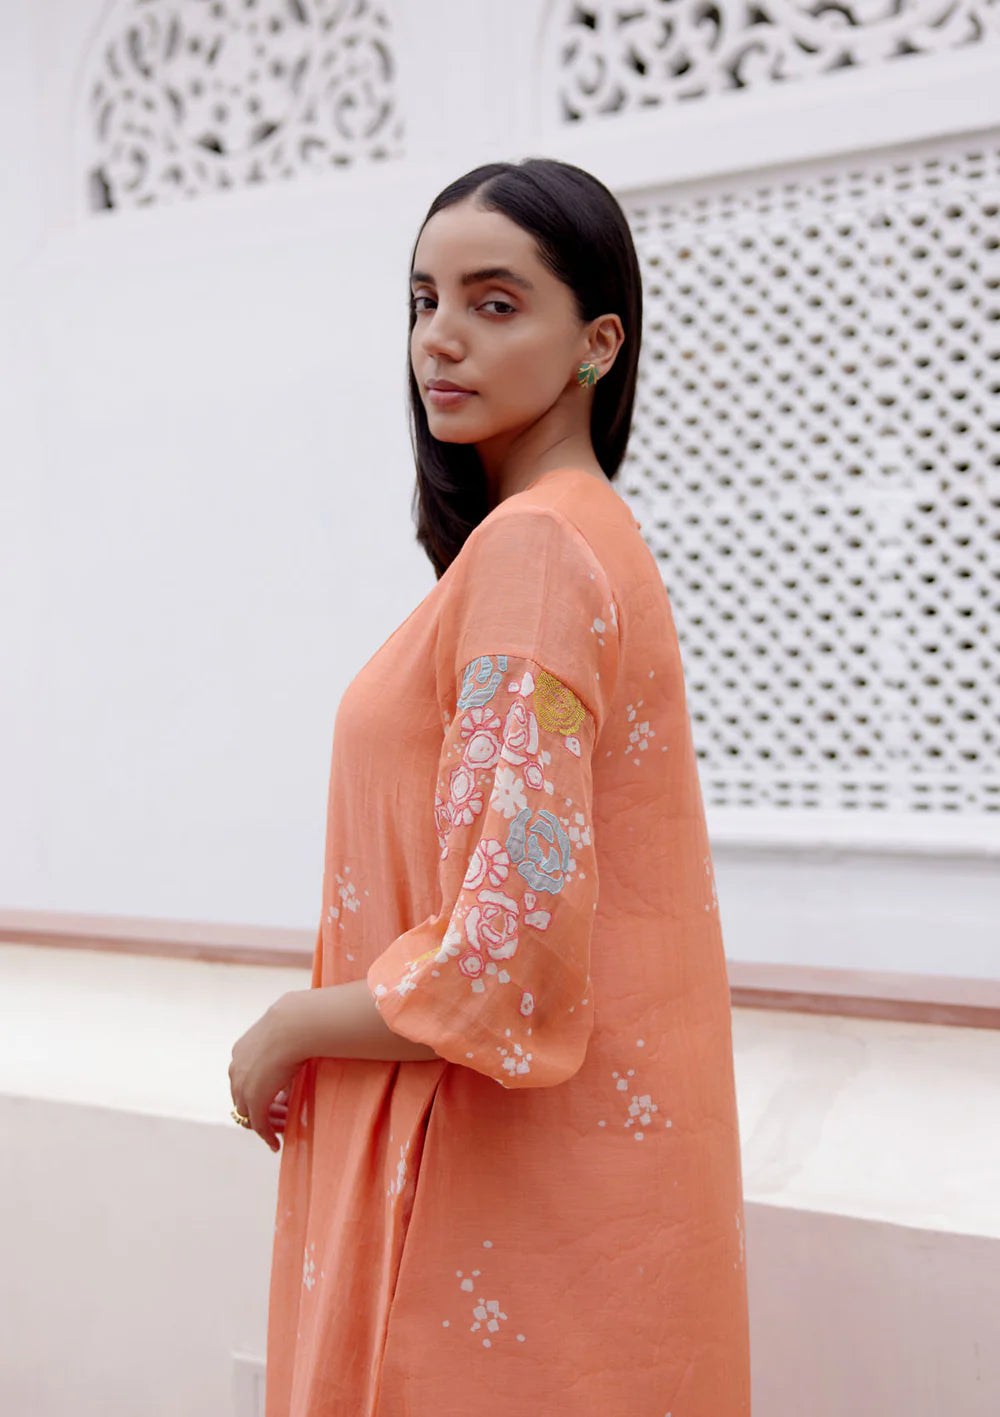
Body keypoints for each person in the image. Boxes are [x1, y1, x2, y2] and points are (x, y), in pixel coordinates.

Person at [229, 156, 751, 1416]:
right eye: (422, 301)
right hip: (567, 1195)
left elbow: (500, 956)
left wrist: (292, 1026)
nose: (439, 339)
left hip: (487, 1194)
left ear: (597, 342)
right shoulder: (580, 539)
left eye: (495, 301)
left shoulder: (531, 552)